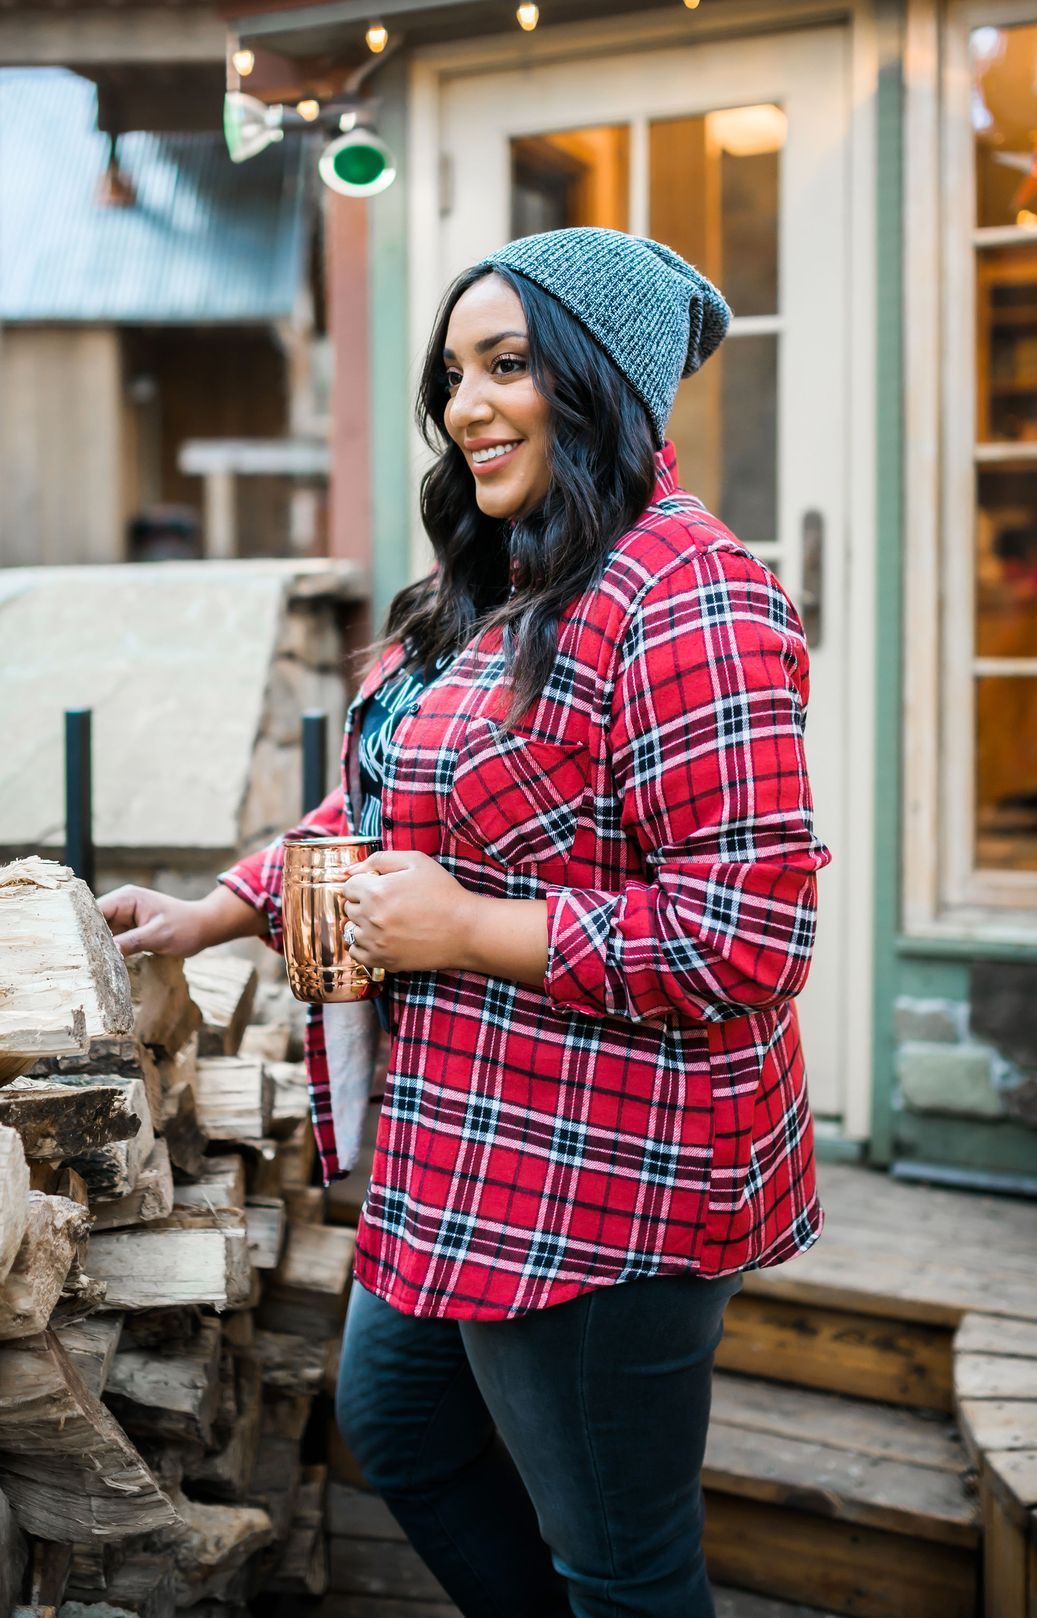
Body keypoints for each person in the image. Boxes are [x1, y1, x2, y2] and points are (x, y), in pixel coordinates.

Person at [101, 226, 830, 1618]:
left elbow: (746, 939)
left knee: (621, 1560)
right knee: (405, 1425)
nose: (465, 405)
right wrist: (216, 910)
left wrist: (470, 929)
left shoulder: (692, 592)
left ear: (602, 380)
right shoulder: (494, 581)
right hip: (463, 1146)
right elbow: (371, 805)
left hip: (614, 1174)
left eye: (508, 365)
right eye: (453, 373)